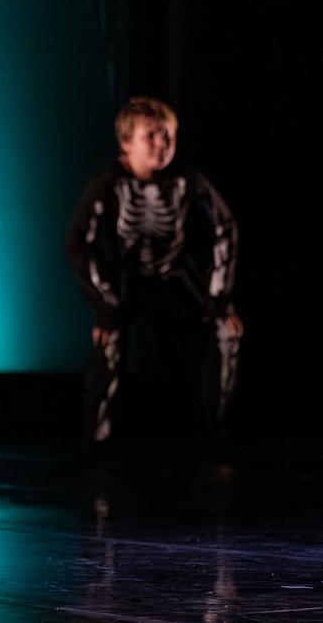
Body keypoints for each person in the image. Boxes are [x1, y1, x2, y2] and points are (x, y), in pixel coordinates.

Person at [66, 96, 243, 453]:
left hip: (173, 274)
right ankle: (96, 443)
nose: (163, 145)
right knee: (108, 342)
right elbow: (77, 243)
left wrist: (219, 298)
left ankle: (214, 433)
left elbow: (225, 227)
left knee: (227, 331)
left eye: (168, 136)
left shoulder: (186, 179)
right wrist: (103, 304)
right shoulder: (108, 182)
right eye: (152, 136)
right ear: (126, 143)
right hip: (124, 280)